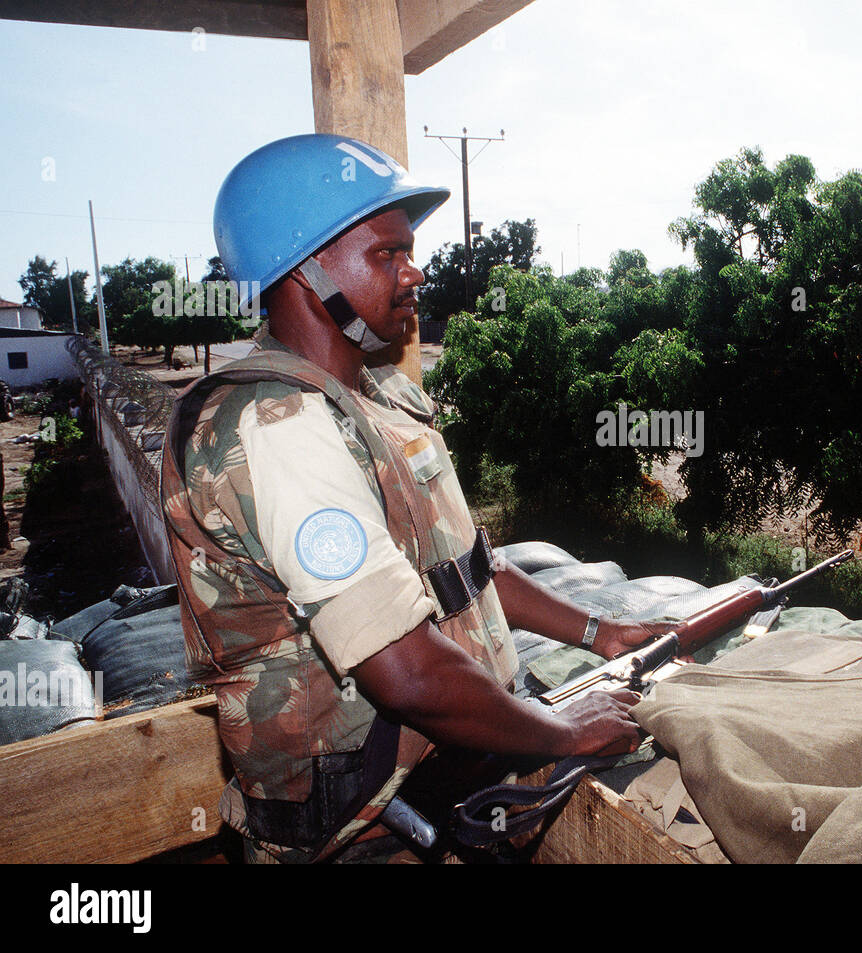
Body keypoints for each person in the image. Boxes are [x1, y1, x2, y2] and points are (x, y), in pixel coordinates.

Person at [161, 134, 666, 863]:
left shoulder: (366, 403)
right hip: (373, 833)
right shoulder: (276, 427)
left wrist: (600, 633)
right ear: (306, 271)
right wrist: (565, 729)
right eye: (386, 254)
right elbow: (406, 672)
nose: (416, 270)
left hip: (456, 784)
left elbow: (466, 577)